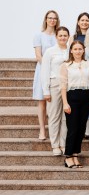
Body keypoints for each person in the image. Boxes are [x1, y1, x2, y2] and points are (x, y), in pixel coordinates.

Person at [60, 41, 89, 168]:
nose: (78, 51)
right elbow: (63, 86)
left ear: (83, 50)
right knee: (73, 128)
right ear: (71, 50)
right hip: (72, 97)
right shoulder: (66, 65)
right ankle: (68, 156)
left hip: (86, 96)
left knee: (81, 128)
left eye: (80, 49)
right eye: (75, 49)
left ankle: (75, 154)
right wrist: (65, 103)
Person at [41, 26, 70, 155]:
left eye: (65, 35)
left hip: (69, 86)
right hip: (54, 85)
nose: (63, 37)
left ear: (68, 37)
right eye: (60, 35)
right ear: (56, 37)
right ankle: (55, 145)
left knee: (65, 117)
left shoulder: (71, 50)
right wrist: (46, 90)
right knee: (54, 116)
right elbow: (45, 71)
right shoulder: (50, 51)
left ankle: (63, 144)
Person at [33, 10, 59, 141]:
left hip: (57, 72)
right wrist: (48, 67)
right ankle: (42, 130)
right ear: (46, 19)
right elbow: (38, 55)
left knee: (55, 101)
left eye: (54, 18)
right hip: (43, 69)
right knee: (42, 101)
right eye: (50, 18)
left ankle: (55, 129)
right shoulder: (39, 35)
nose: (52, 20)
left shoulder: (59, 35)